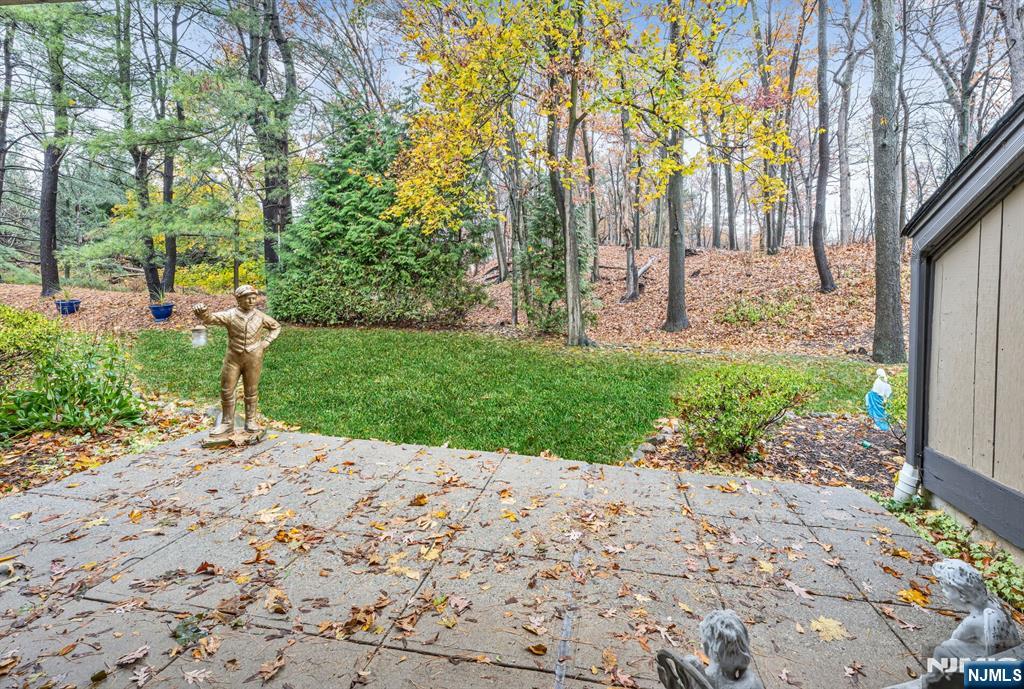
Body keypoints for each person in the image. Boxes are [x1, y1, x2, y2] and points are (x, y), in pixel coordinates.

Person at [192, 285, 280, 436]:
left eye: (254, 298)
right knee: (227, 389)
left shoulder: (260, 316)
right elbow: (211, 318)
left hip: (254, 357)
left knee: (251, 390)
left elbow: (276, 327)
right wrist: (203, 312)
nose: (252, 301)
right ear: (239, 299)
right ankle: (227, 423)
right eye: (248, 298)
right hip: (233, 358)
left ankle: (250, 421)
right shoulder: (230, 315)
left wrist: (266, 343)